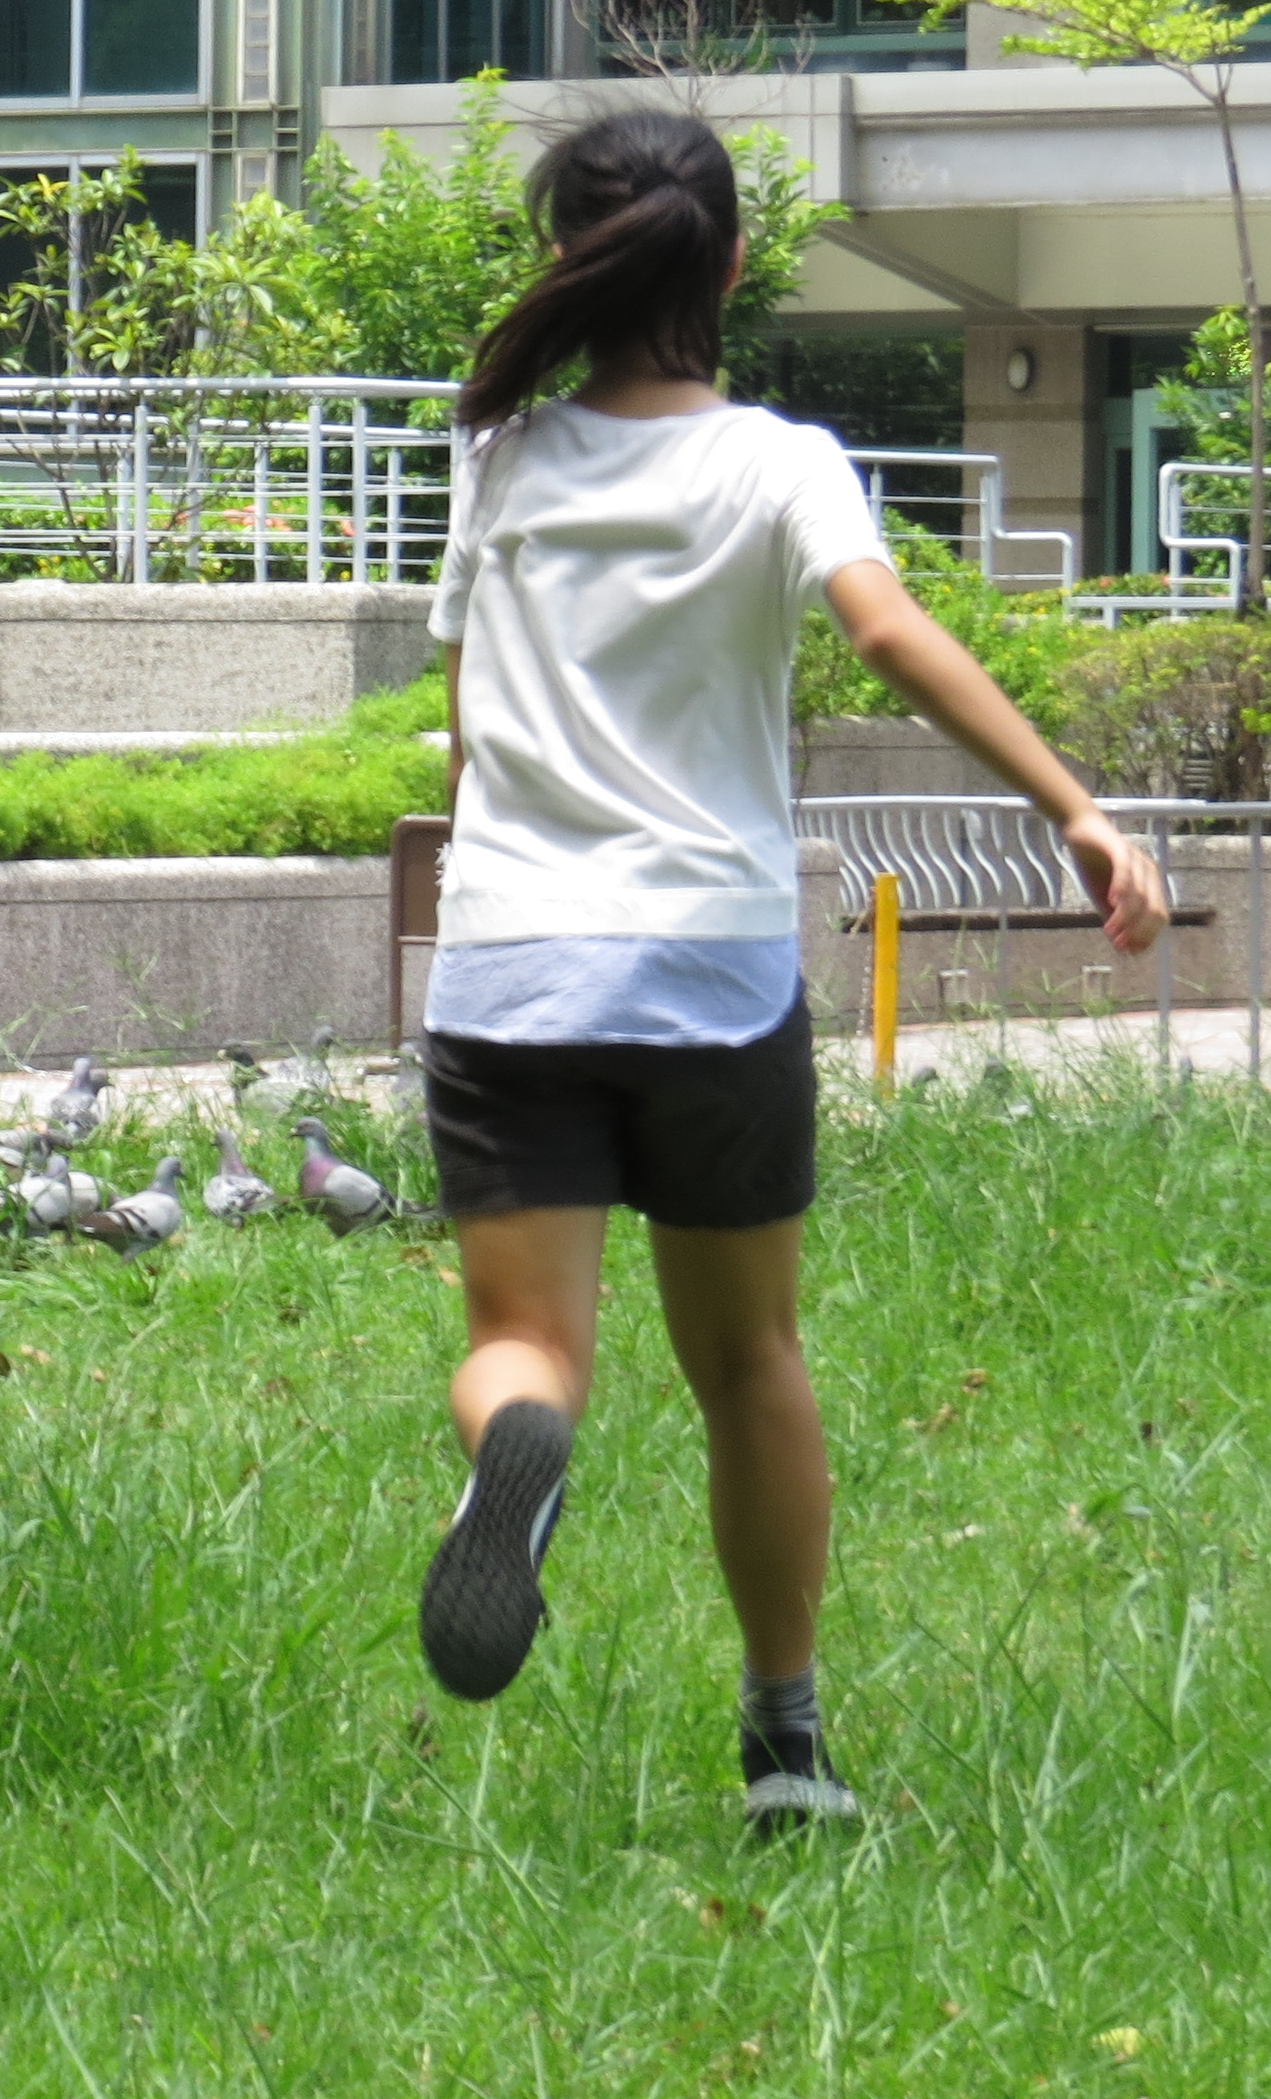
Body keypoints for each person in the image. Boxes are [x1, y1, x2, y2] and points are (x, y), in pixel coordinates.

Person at [410, 109, 1169, 1833]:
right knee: (749, 1361)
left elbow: (464, 730)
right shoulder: (781, 459)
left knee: (524, 1344)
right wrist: (1074, 805)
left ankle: (519, 1460)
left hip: (514, 963)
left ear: (567, 261)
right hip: (711, 970)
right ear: (737, 262)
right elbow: (887, 629)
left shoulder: (499, 458)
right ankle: (786, 1748)